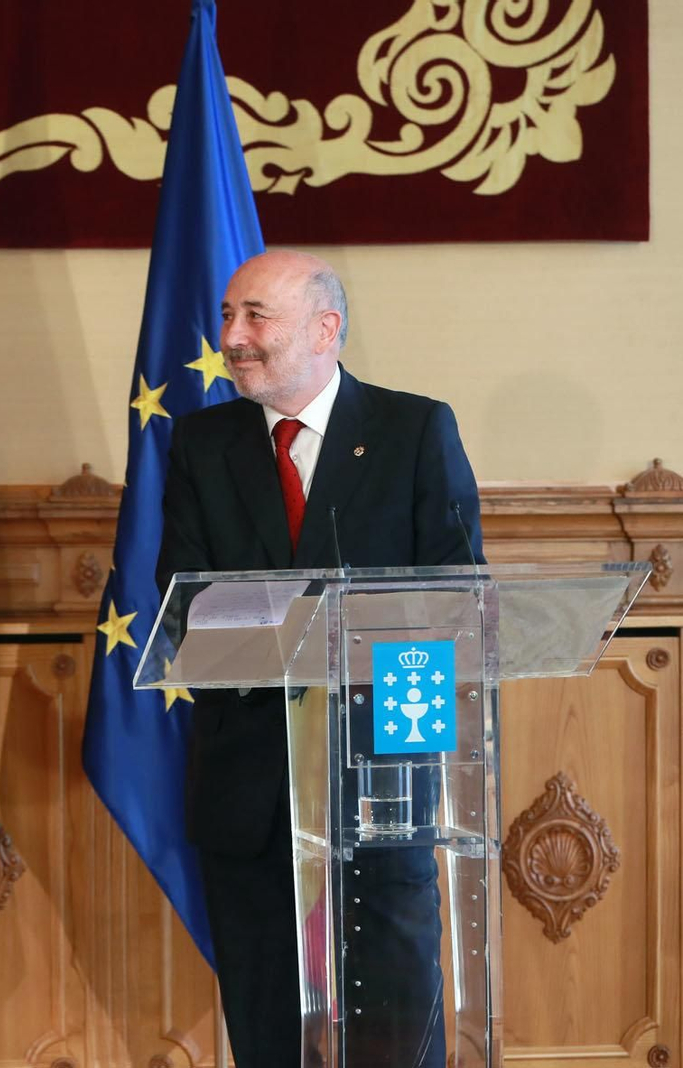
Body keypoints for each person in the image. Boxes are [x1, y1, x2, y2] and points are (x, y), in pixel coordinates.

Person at [158, 249, 483, 1066]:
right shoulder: (202, 443)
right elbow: (184, 602)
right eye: (227, 316)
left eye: (255, 317)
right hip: (251, 784)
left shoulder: (412, 430)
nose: (232, 336)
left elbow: (455, 595)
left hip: (383, 773)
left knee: (396, 1020)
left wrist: (336, 634)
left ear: (324, 329)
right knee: (268, 1024)